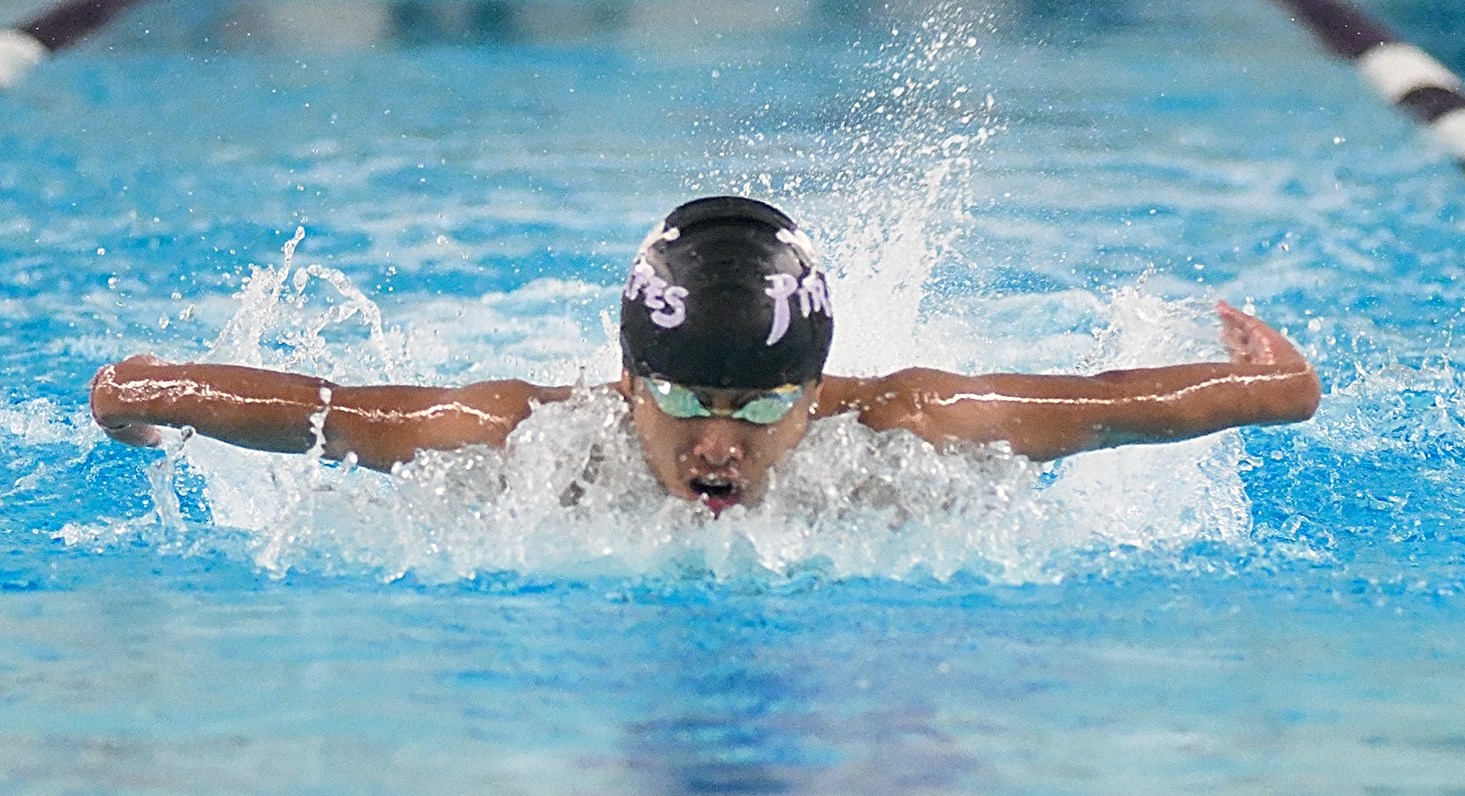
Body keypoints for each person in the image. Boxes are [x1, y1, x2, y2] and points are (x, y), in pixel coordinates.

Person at [89, 196, 1321, 516]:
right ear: (624, 378)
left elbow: (1124, 405)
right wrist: (141, 400)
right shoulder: (524, 439)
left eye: (762, 403)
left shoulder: (913, 423)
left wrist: (1266, 378)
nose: (718, 440)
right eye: (680, 395)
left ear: (815, 391)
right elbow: (335, 409)